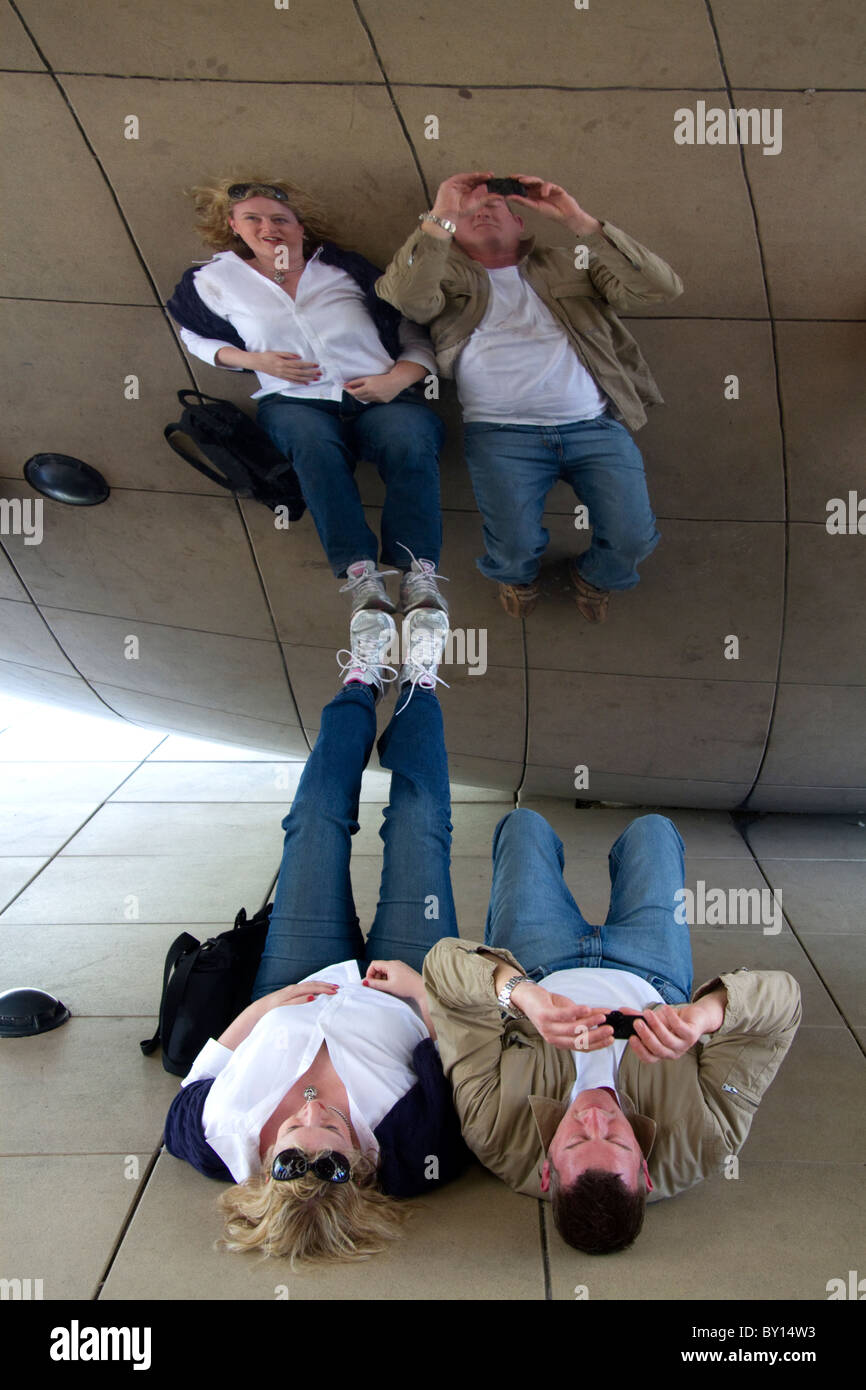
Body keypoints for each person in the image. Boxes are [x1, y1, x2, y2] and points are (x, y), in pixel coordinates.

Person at [163, 601, 470, 1265]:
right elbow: (462, 1066)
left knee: (314, 819)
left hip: (292, 981)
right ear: (358, 1174)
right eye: (328, 1151)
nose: (308, 1120)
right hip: (403, 990)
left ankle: (360, 681)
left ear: (263, 1168)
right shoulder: (415, 1153)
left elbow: (202, 1073)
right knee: (420, 824)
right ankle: (418, 681)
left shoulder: (216, 1137)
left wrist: (267, 1006)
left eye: (287, 1152)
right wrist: (422, 994)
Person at [422, 808, 801, 1253]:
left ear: (547, 1171)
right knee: (653, 831)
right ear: (644, 1171)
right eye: (619, 1140)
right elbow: (784, 1003)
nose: (597, 1118)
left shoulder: (494, 1130)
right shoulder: (703, 1138)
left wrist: (523, 997)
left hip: (541, 963)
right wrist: (705, 1016)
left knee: (523, 826)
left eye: (579, 1137)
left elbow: (444, 970)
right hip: (652, 971)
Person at [377, 171, 684, 621]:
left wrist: (578, 220)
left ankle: (596, 578)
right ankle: (516, 579)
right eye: (467, 213)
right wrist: (441, 216)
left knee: (632, 537)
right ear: (449, 231)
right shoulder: (438, 275)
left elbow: (660, 288)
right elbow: (404, 299)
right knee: (513, 544)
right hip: (501, 435)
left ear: (521, 223)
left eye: (496, 207)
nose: (481, 212)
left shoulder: (571, 261)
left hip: (593, 426)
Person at [167, 176, 447, 615]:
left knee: (411, 436)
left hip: (380, 395)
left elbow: (412, 331)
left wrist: (397, 379)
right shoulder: (214, 280)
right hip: (295, 401)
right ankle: (360, 575)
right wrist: (251, 361)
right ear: (233, 226)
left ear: (300, 228)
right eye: (252, 218)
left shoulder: (345, 270)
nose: (268, 227)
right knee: (312, 446)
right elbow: (193, 335)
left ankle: (418, 573)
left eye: (280, 218)